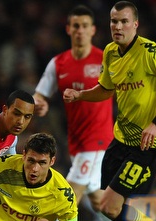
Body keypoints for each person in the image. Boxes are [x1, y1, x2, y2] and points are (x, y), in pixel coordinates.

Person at [63, 1, 156, 220]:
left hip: (146, 145)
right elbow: (106, 89)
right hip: (120, 140)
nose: (118, 27)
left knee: (111, 207)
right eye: (114, 21)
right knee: (105, 207)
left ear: (135, 24)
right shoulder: (110, 52)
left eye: (124, 21)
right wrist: (80, 95)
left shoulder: (151, 52)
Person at [33, 5, 114, 217]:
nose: (80, 30)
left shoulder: (105, 61)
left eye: (85, 26)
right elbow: (39, 95)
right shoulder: (58, 63)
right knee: (100, 203)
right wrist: (39, 103)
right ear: (68, 29)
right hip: (76, 141)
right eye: (76, 26)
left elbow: (128, 94)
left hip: (98, 140)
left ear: (93, 30)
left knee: (68, 195)